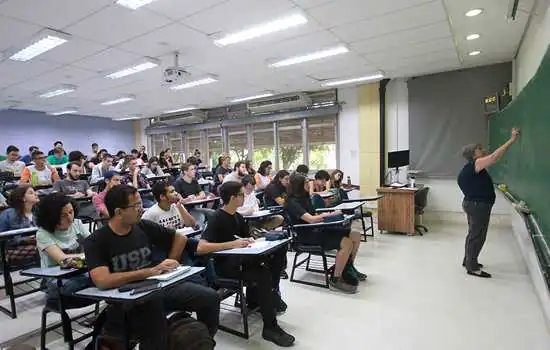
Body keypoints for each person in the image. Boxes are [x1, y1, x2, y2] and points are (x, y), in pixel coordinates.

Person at [84, 184, 220, 348]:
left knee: (210, 297)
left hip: (158, 285)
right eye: (135, 206)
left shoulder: (142, 226)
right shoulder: (97, 241)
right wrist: (149, 272)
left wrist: (171, 260)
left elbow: (180, 238)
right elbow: (102, 281)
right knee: (155, 322)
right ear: (119, 212)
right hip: (129, 297)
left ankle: (204, 342)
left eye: (140, 204)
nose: (141, 209)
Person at [197, 181, 294, 347]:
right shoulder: (217, 218)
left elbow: (245, 239)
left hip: (241, 260)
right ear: (233, 197)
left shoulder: (237, 217)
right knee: (262, 274)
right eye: (242, 194)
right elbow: (201, 248)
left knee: (276, 257)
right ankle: (270, 327)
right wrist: (232, 244)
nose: (245, 197)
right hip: (225, 268)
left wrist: (251, 239)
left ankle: (264, 299)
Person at [285, 173, 366, 293]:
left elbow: (315, 215)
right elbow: (311, 219)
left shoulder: (305, 197)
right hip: (307, 236)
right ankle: (335, 279)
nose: (309, 184)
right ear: (299, 185)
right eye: (306, 183)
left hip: (318, 229)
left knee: (355, 234)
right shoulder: (292, 202)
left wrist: (328, 215)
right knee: (347, 244)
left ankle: (347, 268)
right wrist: (330, 214)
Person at [458, 128, 520, 278]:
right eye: (479, 149)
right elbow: (494, 157)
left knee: (473, 234)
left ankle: (468, 260)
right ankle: (472, 267)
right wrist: (512, 140)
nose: (482, 150)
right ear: (473, 154)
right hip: (478, 206)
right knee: (478, 235)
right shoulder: (476, 164)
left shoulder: (470, 168)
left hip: (472, 204)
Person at [36, 193, 93, 308]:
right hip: (58, 280)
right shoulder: (43, 233)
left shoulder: (77, 223)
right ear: (51, 217)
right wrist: (89, 255)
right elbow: (63, 260)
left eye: (71, 212)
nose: (69, 218)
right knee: (97, 280)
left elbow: (95, 244)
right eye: (63, 215)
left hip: (81, 272)